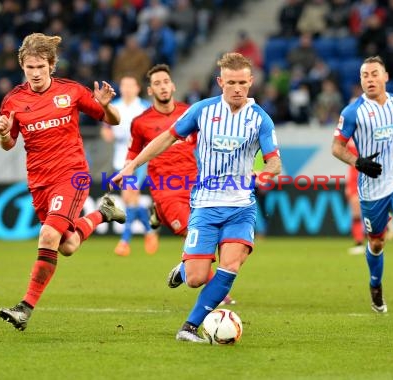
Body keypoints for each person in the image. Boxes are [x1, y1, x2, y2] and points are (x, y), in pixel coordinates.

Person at [113, 53, 282, 342]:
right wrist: (133, 165)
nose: (237, 89)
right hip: (204, 205)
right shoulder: (202, 111)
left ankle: (188, 327)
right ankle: (184, 268)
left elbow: (275, 162)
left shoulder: (260, 119)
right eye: (231, 83)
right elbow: (167, 137)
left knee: (230, 265)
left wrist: (263, 175)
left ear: (251, 82)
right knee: (196, 278)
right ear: (220, 82)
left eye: (243, 82)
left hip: (241, 207)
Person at [0, 33, 127, 331]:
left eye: (41, 66)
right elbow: (7, 143)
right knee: (66, 245)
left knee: (48, 237)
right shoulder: (14, 100)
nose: (36, 73)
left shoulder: (72, 91)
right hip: (39, 181)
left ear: (52, 65)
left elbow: (114, 120)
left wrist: (105, 106)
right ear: (23, 68)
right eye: (30, 67)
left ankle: (24, 308)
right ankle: (103, 213)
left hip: (72, 174)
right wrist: (4, 133)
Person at [126, 63, 236, 305]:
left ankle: (182, 266)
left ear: (173, 85)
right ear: (150, 91)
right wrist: (130, 183)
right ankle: (219, 292)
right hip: (165, 189)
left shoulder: (191, 112)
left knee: (215, 235)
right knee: (194, 233)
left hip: (196, 186)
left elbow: (207, 143)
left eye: (166, 81)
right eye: (157, 83)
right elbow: (132, 155)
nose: (163, 87)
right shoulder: (140, 123)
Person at [332, 55, 393, 314]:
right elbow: (336, 147)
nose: (370, 79)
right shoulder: (353, 112)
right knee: (377, 243)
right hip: (372, 189)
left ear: (385, 77)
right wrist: (358, 162)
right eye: (365, 75)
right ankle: (375, 286)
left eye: (374, 74)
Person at [101, 75, 158, 257]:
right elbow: (106, 128)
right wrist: (106, 134)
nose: (126, 88)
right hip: (120, 159)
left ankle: (124, 242)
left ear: (137, 88)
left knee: (128, 195)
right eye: (124, 85)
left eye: (130, 85)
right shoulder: (114, 106)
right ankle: (149, 231)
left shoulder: (144, 108)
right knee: (130, 200)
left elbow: (153, 133)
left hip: (137, 160)